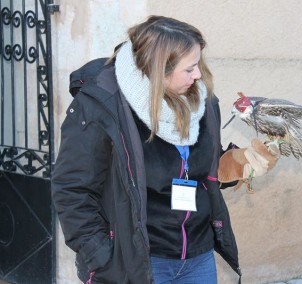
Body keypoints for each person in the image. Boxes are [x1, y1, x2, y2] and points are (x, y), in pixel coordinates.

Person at [51, 15, 279, 284]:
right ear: (159, 69)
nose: (198, 75)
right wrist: (101, 256)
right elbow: (71, 189)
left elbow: (205, 168)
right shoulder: (104, 106)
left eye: (198, 65)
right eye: (190, 68)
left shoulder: (202, 102)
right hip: (139, 263)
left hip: (198, 257)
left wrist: (238, 163)